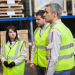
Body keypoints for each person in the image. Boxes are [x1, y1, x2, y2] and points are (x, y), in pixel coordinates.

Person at [43, 3, 74, 75]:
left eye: (46, 12)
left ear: (55, 14)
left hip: (57, 70)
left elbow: (53, 58)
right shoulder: (65, 28)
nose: (44, 14)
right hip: (66, 68)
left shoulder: (55, 31)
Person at [30, 10, 50, 75]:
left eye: (38, 19)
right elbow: (33, 47)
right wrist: (32, 62)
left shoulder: (51, 29)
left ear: (45, 18)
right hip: (38, 64)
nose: (36, 21)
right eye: (36, 19)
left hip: (47, 64)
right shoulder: (36, 30)